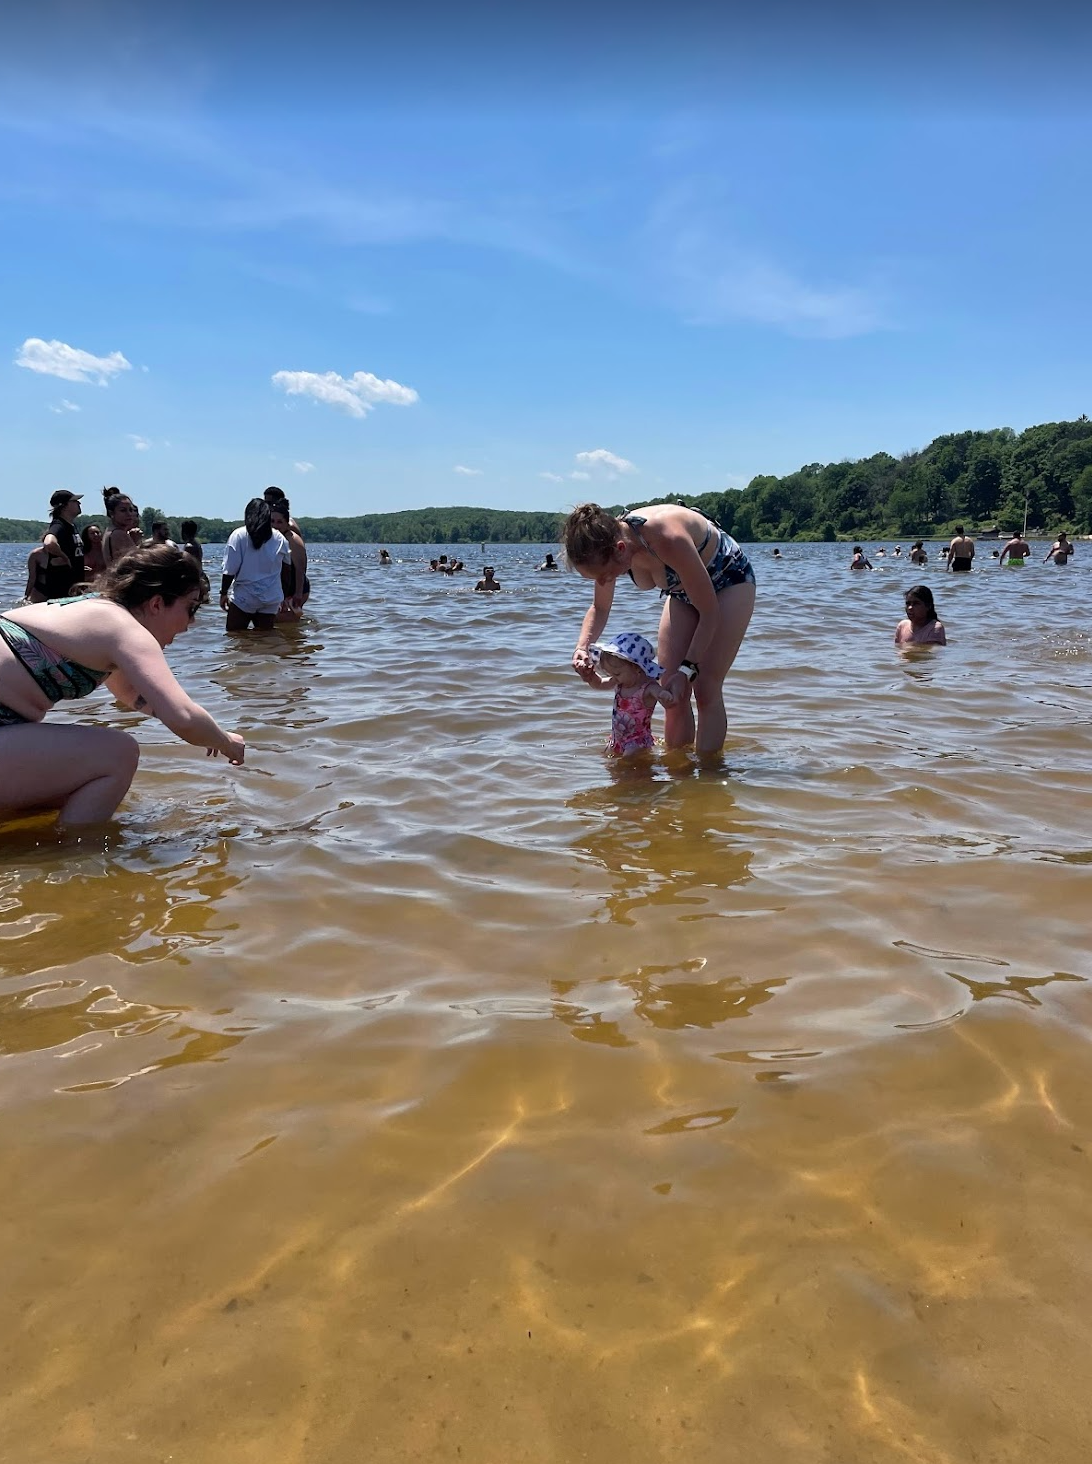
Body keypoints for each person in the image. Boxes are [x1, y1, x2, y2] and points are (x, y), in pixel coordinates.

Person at [0, 545, 244, 827]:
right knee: (119, 754)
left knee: (73, 784)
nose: (190, 623)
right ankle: (70, 858)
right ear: (156, 603)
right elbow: (183, 716)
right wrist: (225, 742)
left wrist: (212, 732)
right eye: (190, 607)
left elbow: (130, 692)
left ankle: (24, 853)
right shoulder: (125, 629)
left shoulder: (97, 614)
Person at [564, 501, 755, 755]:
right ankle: (680, 772)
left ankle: (710, 776)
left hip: (729, 581)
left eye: (605, 575)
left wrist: (688, 669)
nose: (603, 582)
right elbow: (600, 608)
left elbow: (710, 613)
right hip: (683, 593)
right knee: (670, 687)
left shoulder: (668, 538)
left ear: (621, 549)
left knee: (705, 686)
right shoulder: (607, 546)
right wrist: (582, 647)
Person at [587, 632, 676, 757]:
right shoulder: (619, 683)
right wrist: (589, 676)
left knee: (628, 761)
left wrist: (664, 695)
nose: (614, 678)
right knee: (611, 763)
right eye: (611, 674)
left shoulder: (647, 688)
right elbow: (600, 683)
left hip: (637, 742)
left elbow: (658, 692)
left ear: (637, 668)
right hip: (617, 739)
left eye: (617, 674)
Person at [220, 499, 292, 631]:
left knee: (234, 636)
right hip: (271, 598)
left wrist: (223, 593)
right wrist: (283, 597)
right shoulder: (280, 539)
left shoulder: (239, 535)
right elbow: (286, 573)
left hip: (245, 597)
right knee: (265, 640)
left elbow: (230, 569)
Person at [39, 490, 86, 599]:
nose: (79, 504)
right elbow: (49, 543)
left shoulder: (71, 526)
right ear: (64, 506)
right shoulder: (59, 525)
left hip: (74, 587)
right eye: (75, 501)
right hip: (62, 589)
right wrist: (64, 557)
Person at [269, 500, 309, 620]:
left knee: (284, 622)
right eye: (272, 521)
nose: (275, 525)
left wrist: (297, 594)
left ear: (287, 524)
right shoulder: (272, 538)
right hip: (281, 587)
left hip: (296, 588)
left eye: (280, 522)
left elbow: (301, 570)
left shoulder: (293, 541)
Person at [102, 488, 144, 567]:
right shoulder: (118, 534)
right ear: (112, 513)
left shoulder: (109, 531)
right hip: (122, 578)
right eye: (123, 510)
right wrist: (137, 542)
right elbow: (137, 562)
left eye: (131, 510)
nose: (129, 514)